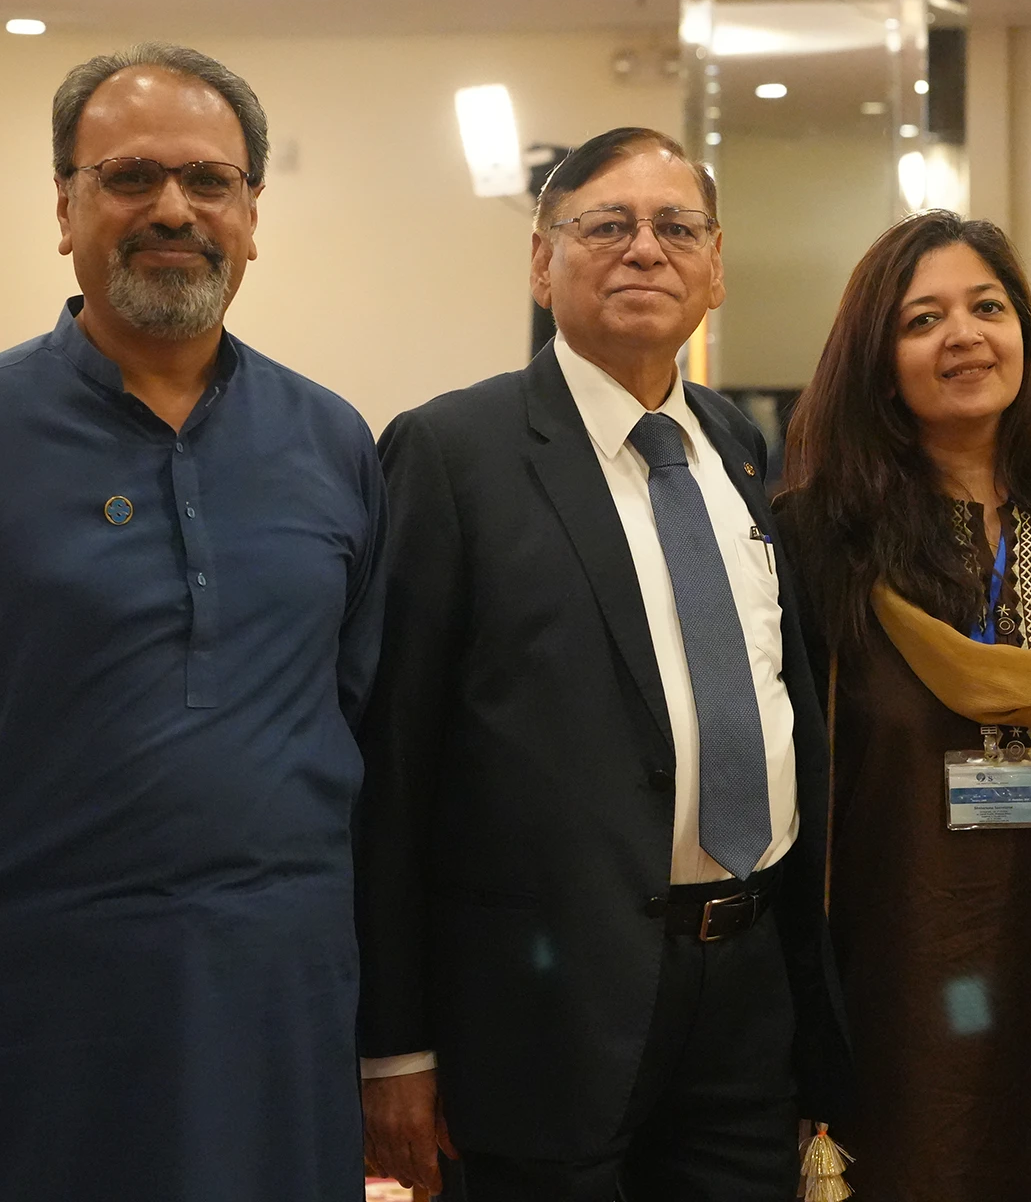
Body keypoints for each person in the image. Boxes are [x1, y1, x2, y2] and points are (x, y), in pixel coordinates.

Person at [0, 44, 389, 1201]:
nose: (173, 208)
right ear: (65, 207)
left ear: (252, 216)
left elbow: (353, 705)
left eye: (209, 181)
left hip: (266, 997)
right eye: (129, 176)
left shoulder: (331, 443)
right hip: (15, 1004)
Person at [355, 126, 849, 1202]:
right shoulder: (451, 452)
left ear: (715, 266)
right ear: (542, 261)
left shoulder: (737, 446)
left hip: (746, 987)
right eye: (607, 225)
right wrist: (394, 1045)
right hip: (540, 1009)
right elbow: (391, 764)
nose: (645, 249)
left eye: (677, 228)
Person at [773, 210, 1031, 1200]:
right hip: (901, 973)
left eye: (988, 308)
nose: (964, 335)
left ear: (1025, 333)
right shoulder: (819, 540)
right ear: (878, 363)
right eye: (923, 319)